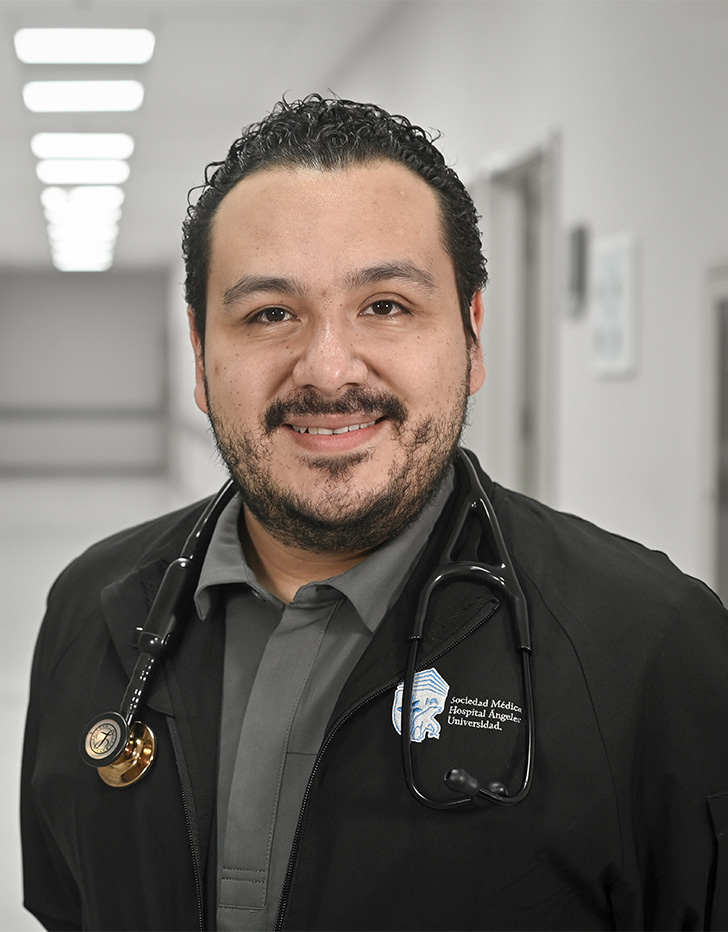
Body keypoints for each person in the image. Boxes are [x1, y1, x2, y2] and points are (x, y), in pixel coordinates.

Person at [20, 95, 728, 932]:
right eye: (269, 314)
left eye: (387, 305)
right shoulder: (93, 607)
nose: (327, 369)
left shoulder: (651, 648)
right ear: (201, 355)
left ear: (471, 335)